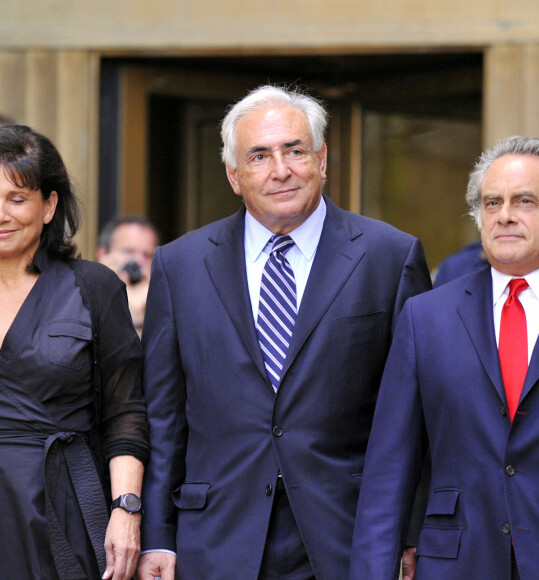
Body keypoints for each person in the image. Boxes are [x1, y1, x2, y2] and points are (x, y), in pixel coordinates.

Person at [137, 84, 431, 580]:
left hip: (348, 536)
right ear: (234, 176)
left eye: (295, 150)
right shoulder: (179, 265)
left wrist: (409, 534)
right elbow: (163, 418)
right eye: (259, 156)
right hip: (215, 538)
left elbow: (416, 415)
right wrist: (158, 537)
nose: (281, 170)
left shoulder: (389, 256)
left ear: (322, 158)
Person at [349, 135, 539, 580]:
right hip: (457, 562)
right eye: (491, 202)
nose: (504, 215)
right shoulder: (426, 317)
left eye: (524, 201)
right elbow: (389, 470)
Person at [0, 124, 150, 579]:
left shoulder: (92, 287)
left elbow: (126, 411)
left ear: (49, 205)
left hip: (66, 507)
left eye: (17, 198)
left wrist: (126, 510)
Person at [96, 215, 159, 336]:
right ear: (102, 254)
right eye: (129, 252)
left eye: (147, 255)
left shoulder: (161, 305)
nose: (139, 262)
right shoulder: (81, 298)